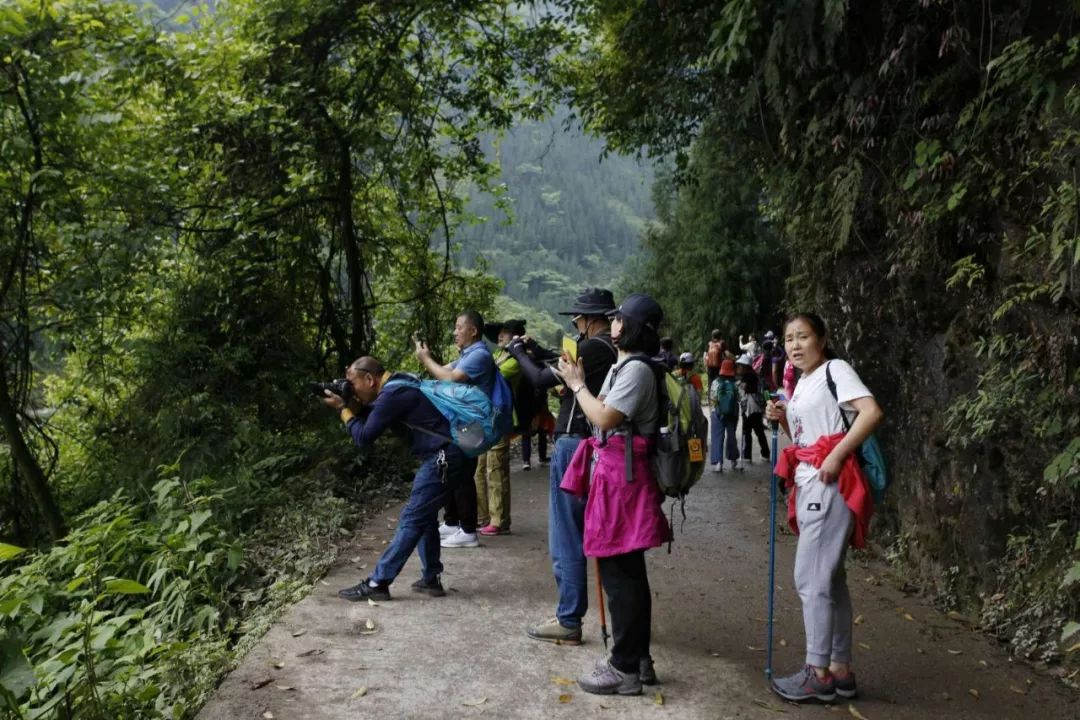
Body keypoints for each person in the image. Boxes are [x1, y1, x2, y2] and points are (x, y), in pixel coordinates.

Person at [765, 313, 883, 704]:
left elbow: (870, 412)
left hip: (829, 482)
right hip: (813, 478)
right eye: (789, 339)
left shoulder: (836, 368)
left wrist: (835, 456)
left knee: (810, 577)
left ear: (823, 338)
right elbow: (804, 436)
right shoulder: (801, 383)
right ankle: (839, 669)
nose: (795, 345)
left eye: (803, 337)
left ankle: (817, 674)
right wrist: (783, 419)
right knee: (830, 579)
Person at [557, 292, 672, 696]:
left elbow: (604, 416)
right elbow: (602, 407)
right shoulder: (628, 366)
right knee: (627, 572)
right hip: (618, 472)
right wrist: (584, 389)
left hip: (623, 478)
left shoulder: (637, 371)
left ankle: (623, 668)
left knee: (620, 574)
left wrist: (575, 385)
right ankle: (638, 660)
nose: (613, 325)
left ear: (632, 326)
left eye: (619, 319)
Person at [505, 288, 618, 646]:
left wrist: (518, 352)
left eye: (578, 319)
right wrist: (538, 351)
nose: (576, 325)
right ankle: (580, 614)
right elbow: (558, 361)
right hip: (595, 441)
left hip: (574, 443)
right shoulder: (611, 350)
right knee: (588, 530)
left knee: (566, 532)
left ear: (590, 320)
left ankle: (568, 618)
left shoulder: (593, 348)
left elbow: (540, 379)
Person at [321, 357, 465, 601]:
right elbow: (375, 416)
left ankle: (378, 582)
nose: (351, 390)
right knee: (424, 517)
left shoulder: (392, 394)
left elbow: (363, 437)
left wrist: (342, 409)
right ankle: (431, 579)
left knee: (412, 518)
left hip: (443, 457)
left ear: (369, 379)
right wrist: (353, 406)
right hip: (449, 454)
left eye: (353, 383)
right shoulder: (399, 383)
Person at [415, 310, 496, 549]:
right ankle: (452, 522)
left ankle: (468, 530)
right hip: (462, 423)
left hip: (472, 425)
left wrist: (425, 358)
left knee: (462, 475)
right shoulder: (467, 354)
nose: (455, 332)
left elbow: (450, 378)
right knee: (452, 471)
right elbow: (442, 372)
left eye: (460, 327)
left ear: (473, 330)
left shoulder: (479, 355)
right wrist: (427, 361)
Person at [474, 319, 526, 535]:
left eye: (506, 333)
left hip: (500, 417)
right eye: (501, 333)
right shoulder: (496, 356)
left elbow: (492, 376)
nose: (501, 336)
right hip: (484, 417)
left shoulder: (516, 361)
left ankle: (500, 519)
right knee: (479, 470)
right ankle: (483, 515)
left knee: (495, 469)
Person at [736, 354, 770, 463]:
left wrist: (737, 385)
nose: (739, 368)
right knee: (759, 431)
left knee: (747, 431)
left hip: (749, 408)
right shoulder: (754, 374)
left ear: (746, 366)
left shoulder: (747, 376)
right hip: (757, 407)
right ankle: (765, 454)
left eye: (740, 366)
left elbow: (743, 389)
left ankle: (747, 456)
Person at [709, 358, 741, 473]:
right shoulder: (736, 383)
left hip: (717, 412)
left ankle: (718, 463)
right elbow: (739, 398)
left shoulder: (715, 382)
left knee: (717, 436)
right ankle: (733, 461)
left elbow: (712, 399)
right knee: (731, 436)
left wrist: (713, 411)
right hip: (732, 413)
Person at [704, 330, 727, 396]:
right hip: (719, 368)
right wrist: (735, 358)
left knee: (710, 385)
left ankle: (710, 402)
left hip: (710, 368)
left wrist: (706, 367)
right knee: (720, 384)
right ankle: (720, 401)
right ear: (720, 336)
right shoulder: (722, 343)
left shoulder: (709, 344)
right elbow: (727, 354)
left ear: (712, 336)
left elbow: (705, 356)